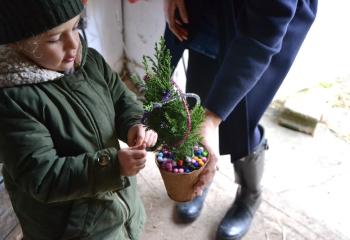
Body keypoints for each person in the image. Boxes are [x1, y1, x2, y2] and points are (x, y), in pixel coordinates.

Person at [0, 0, 158, 239]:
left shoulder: (89, 61)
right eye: (54, 38)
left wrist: (135, 123)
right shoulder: (12, 101)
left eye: (75, 27)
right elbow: (42, 176)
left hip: (117, 208)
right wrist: (112, 167)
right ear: (21, 43)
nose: (74, 44)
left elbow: (121, 99)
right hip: (73, 229)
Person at [163, 0, 318, 239]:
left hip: (265, 24)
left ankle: (250, 193)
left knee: (241, 115)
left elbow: (264, 31)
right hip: (212, 11)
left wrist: (213, 118)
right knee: (200, 91)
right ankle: (200, 176)